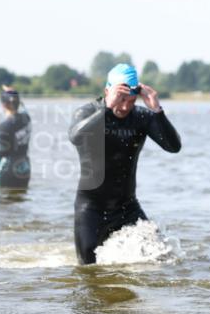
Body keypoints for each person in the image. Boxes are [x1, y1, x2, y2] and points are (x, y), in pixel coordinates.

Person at [68, 64, 181, 265]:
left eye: (131, 101)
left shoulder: (141, 117)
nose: (125, 107)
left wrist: (157, 110)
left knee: (162, 257)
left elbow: (173, 147)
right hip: (91, 209)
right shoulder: (87, 112)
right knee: (88, 271)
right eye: (120, 99)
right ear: (107, 92)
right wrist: (106, 109)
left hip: (127, 208)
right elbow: (76, 137)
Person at [0, 86, 32, 190]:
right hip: (25, 169)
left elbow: (0, 154)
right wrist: (13, 93)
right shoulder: (27, 118)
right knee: (21, 197)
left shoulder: (4, 126)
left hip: (8, 171)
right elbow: (24, 108)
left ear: (3, 105)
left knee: (4, 198)